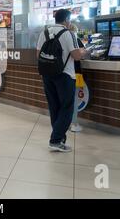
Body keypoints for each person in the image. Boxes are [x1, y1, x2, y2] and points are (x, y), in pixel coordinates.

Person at [37, 9, 88, 152]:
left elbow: (38, 54)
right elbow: (77, 56)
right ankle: (55, 140)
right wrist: (85, 51)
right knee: (67, 108)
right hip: (65, 75)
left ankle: (59, 138)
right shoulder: (68, 33)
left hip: (47, 75)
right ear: (66, 19)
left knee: (54, 107)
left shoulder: (44, 32)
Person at [69, 24, 86, 133]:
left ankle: (67, 122)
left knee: (67, 99)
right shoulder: (75, 40)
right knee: (74, 99)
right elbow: (80, 54)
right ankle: (74, 123)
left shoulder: (62, 39)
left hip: (65, 73)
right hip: (75, 73)